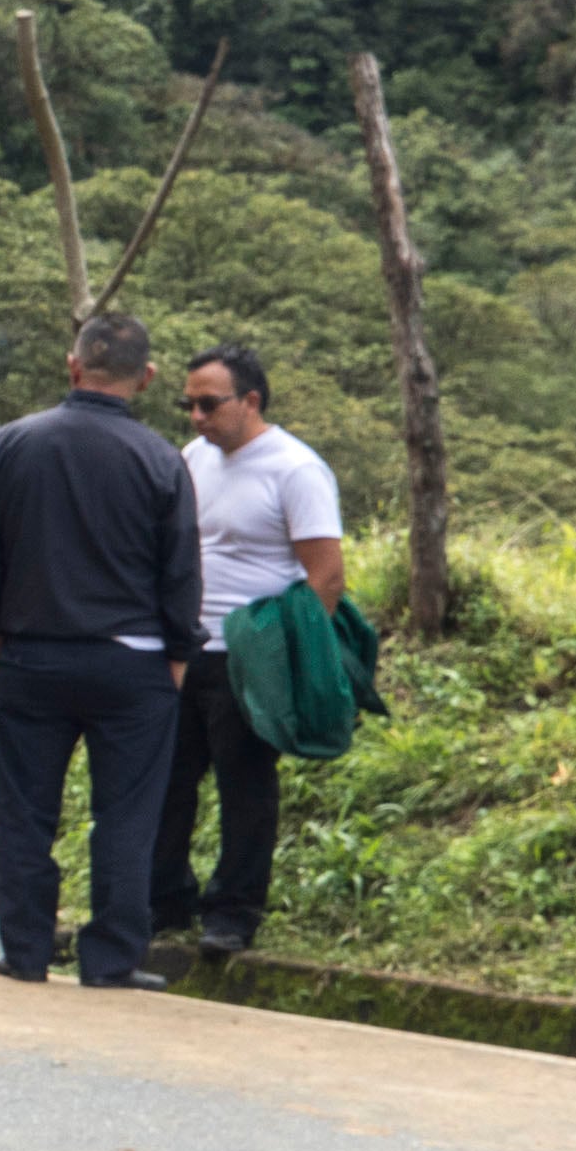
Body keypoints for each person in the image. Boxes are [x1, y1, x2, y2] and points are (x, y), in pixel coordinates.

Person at [0, 311, 202, 988]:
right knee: (126, 815)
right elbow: (180, 569)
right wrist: (178, 653)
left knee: (25, 809)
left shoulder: (14, 443)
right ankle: (111, 958)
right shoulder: (161, 458)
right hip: (133, 662)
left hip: (31, 655)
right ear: (146, 377)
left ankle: (26, 950)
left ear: (73, 366)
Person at [151, 345, 343, 955]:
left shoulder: (295, 469)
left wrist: (291, 658)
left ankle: (233, 911)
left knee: (246, 784)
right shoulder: (193, 459)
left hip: (249, 650)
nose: (197, 417)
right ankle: (164, 899)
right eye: (189, 405)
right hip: (187, 645)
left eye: (209, 404)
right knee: (168, 779)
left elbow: (325, 575)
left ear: (251, 401)